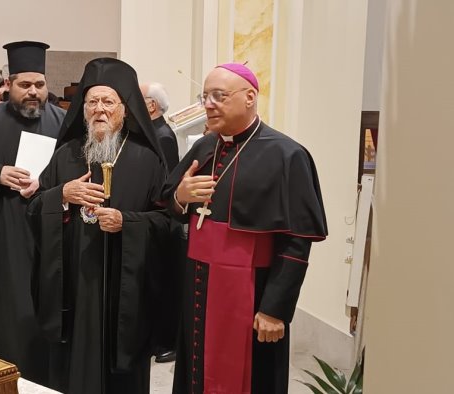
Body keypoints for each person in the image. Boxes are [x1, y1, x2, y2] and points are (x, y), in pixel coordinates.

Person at [163, 63, 328, 394]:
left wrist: (274, 309)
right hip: (199, 284)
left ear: (250, 97)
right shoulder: (203, 148)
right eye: (204, 95)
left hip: (253, 291)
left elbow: (298, 240)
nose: (208, 104)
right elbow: (168, 203)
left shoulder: (287, 154)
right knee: (196, 370)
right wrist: (181, 197)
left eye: (218, 96)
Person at [26, 57, 172, 394]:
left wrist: (127, 222)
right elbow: (33, 209)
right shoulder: (66, 155)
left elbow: (167, 223)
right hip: (74, 287)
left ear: (125, 109)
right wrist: (62, 195)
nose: (99, 110)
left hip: (124, 291)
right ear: (82, 109)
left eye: (108, 102)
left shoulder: (147, 160)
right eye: (92, 102)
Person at [0, 41, 66, 385]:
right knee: (10, 318)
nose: (33, 92)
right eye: (24, 85)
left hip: (52, 236)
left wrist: (50, 185)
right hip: (3, 235)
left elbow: (78, 167)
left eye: (39, 84)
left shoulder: (64, 122)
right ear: (9, 84)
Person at [140, 81, 183, 364]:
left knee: (163, 284)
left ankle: (166, 342)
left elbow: (165, 183)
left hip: (161, 219)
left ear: (152, 106)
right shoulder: (151, 132)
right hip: (150, 218)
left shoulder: (162, 136)